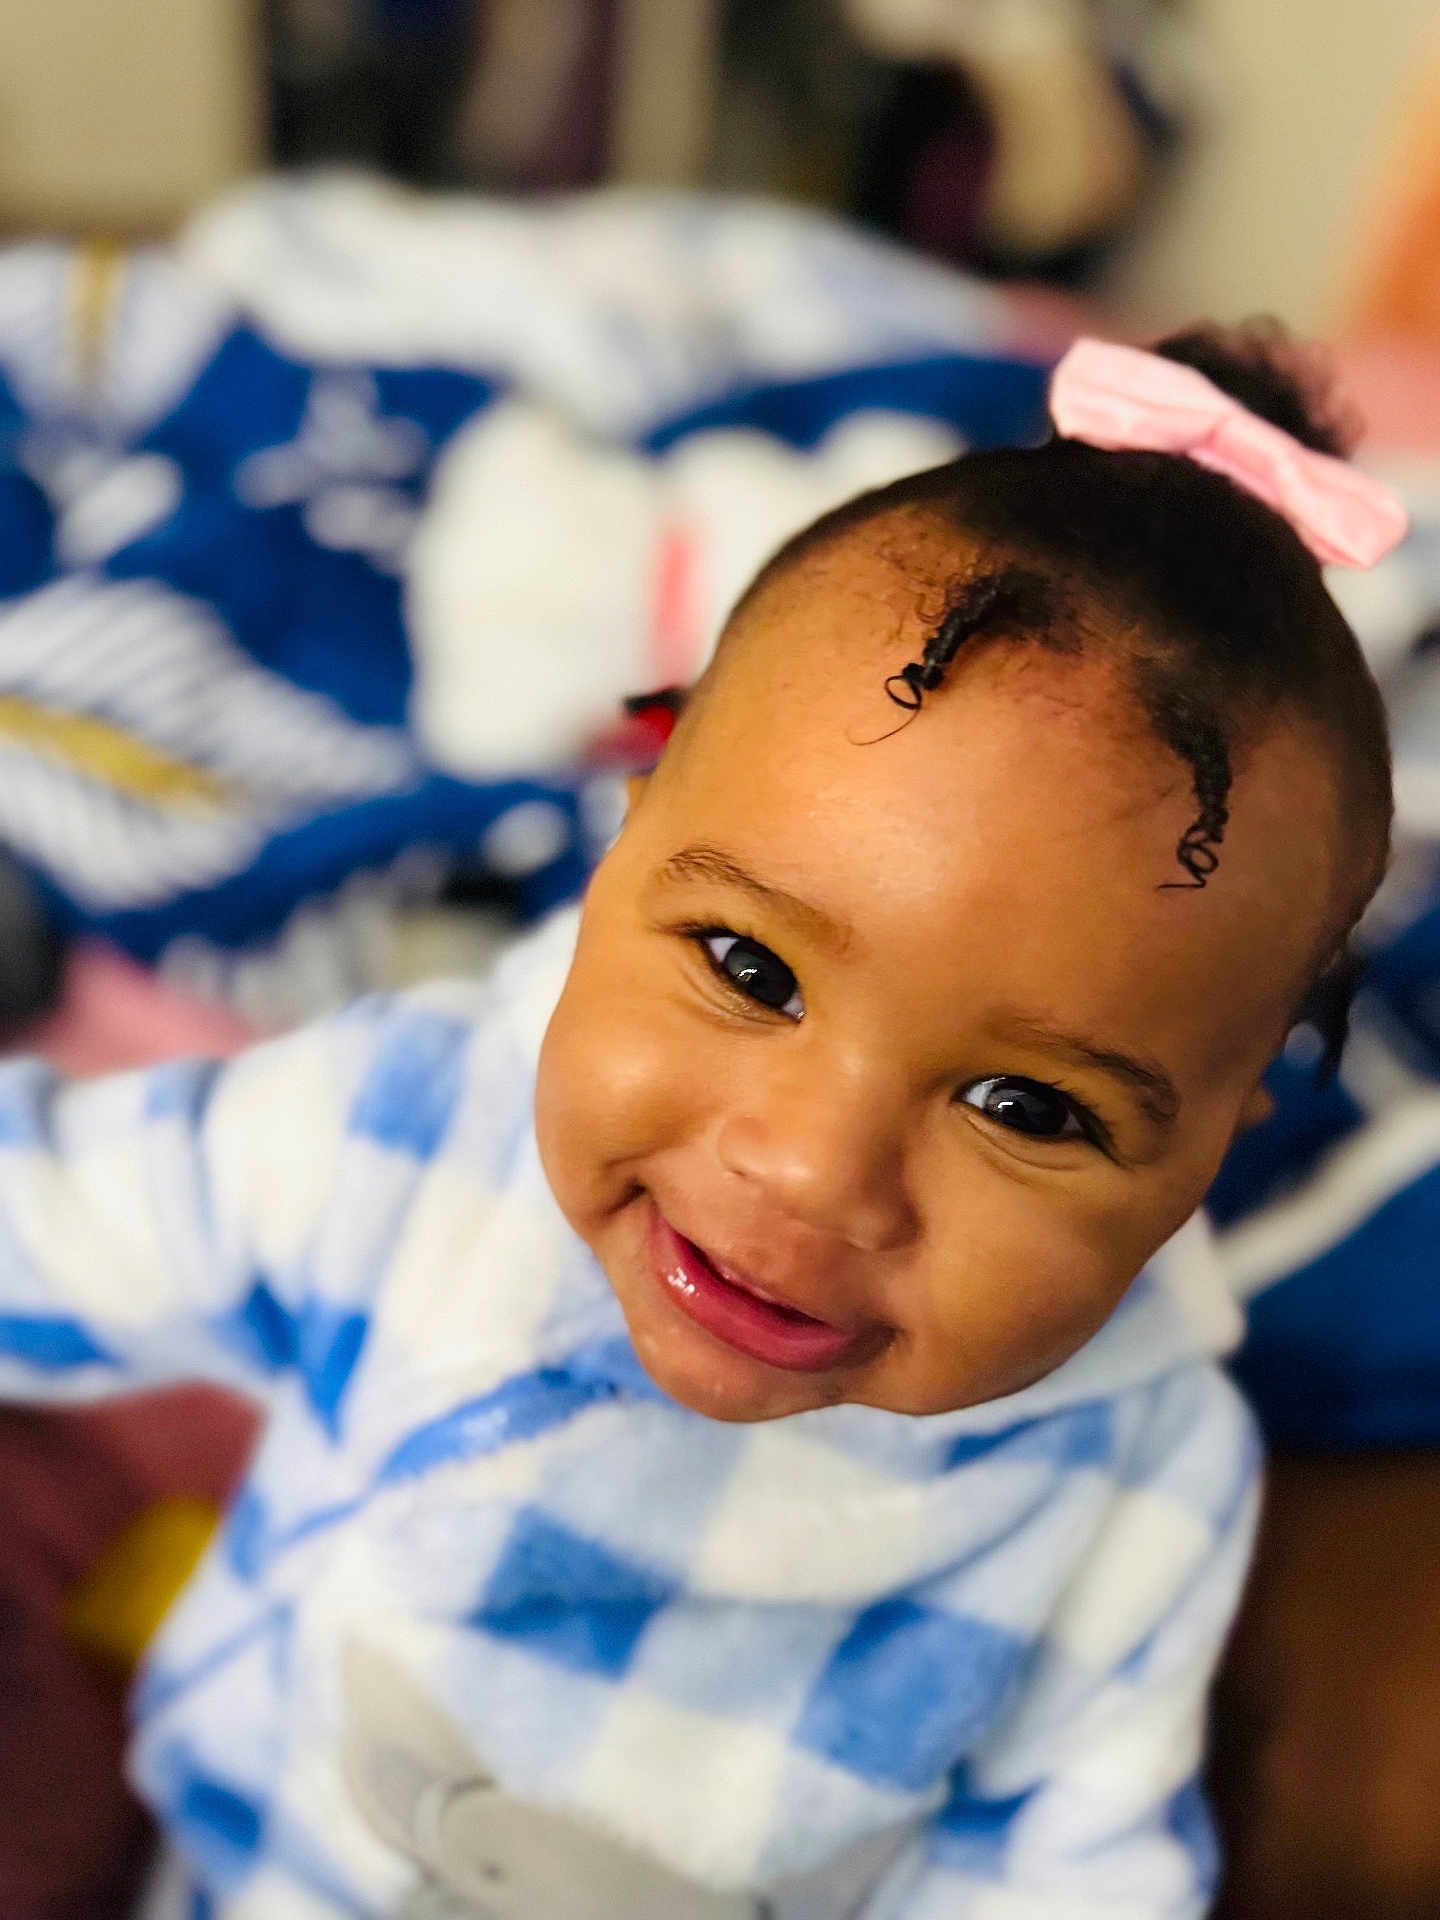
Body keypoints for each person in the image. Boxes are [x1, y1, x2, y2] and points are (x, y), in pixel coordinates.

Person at [0, 326, 1406, 1920]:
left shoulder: (1140, 1478)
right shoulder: (398, 1136)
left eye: (1026, 1106)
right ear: (619, 848)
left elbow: (1072, 1875)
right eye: (749, 967)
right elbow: (45, 1215)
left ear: (1208, 1161)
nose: (812, 1171)